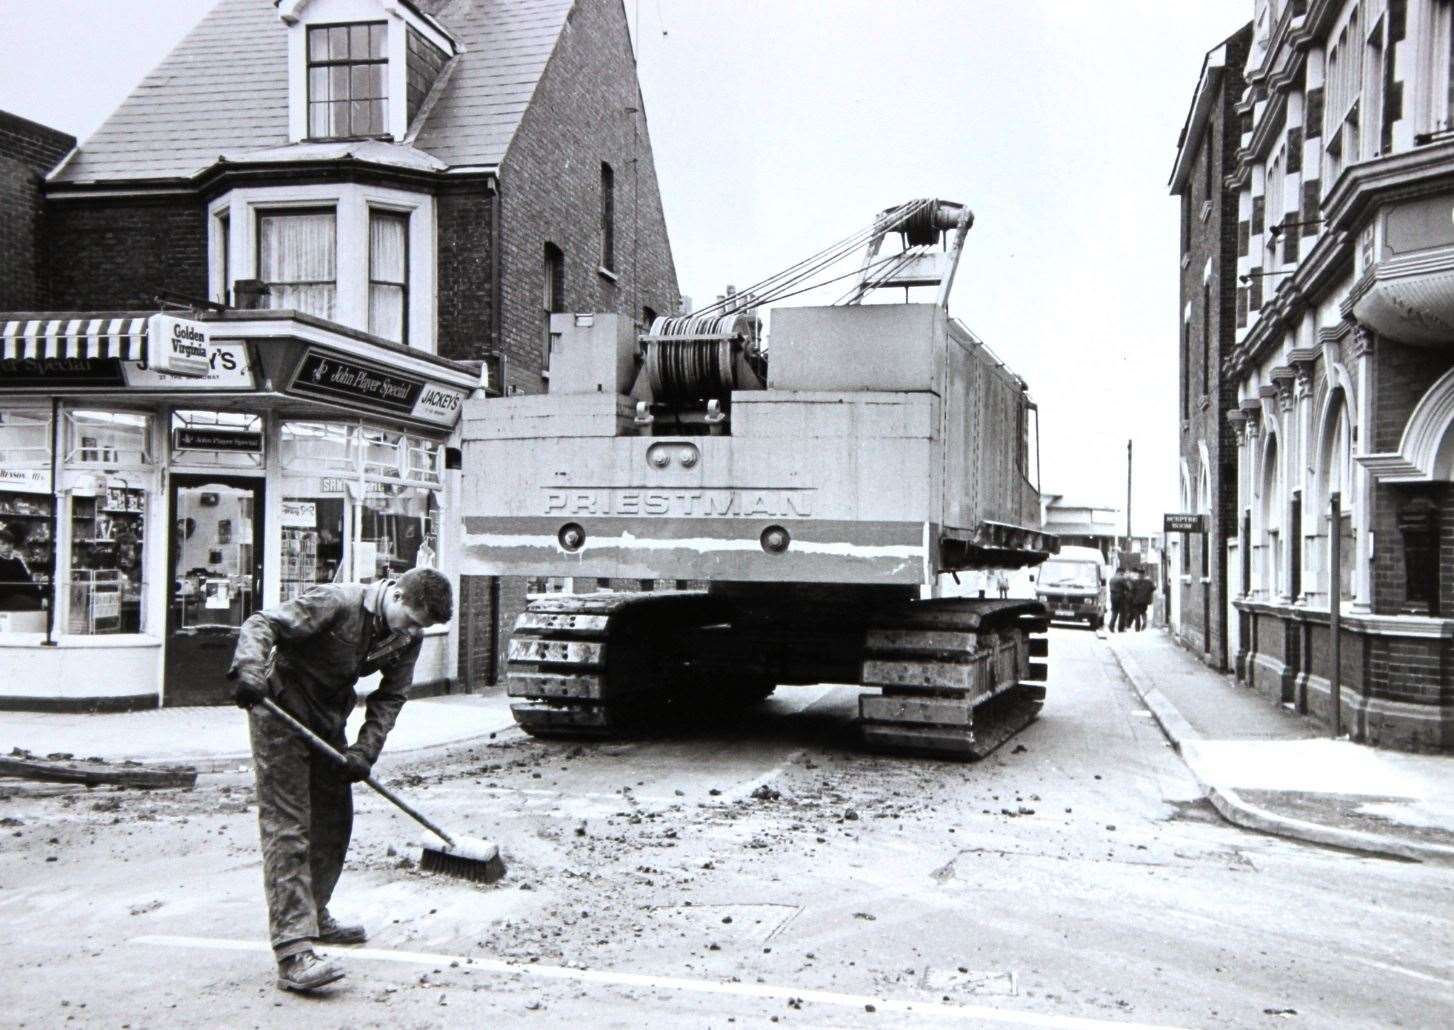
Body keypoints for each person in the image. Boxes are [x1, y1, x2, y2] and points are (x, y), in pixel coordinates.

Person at [228, 568, 454, 994]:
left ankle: (315, 911)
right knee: (289, 827)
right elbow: (263, 623)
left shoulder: (408, 636)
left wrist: (365, 751)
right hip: (279, 711)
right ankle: (293, 951)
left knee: (334, 820)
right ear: (396, 594)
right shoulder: (337, 602)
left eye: (420, 627)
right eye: (411, 620)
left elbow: (391, 696)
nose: (412, 632)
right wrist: (249, 671)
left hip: (327, 720)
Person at [0, 525, 41, 611]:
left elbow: (28, 581)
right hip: (4, 599)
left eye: (10, 543)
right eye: (3, 544)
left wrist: (40, 596)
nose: (7, 547)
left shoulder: (17, 561)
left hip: (19, 597)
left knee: (39, 602)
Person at [1107, 567, 1128, 633]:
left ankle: (1111, 626)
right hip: (1120, 597)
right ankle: (1120, 628)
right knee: (1122, 613)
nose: (1123, 574)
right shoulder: (1122, 579)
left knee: (1114, 612)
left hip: (1112, 596)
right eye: (1123, 572)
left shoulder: (1112, 578)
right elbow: (1127, 587)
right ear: (1121, 572)